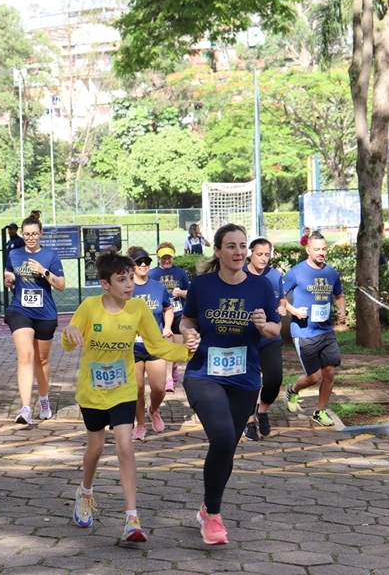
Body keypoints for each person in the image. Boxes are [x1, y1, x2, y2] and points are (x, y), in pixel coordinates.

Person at [61, 251, 198, 543]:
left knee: (125, 447)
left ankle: (132, 519)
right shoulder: (89, 307)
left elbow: (156, 345)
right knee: (96, 448)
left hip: (123, 391)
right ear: (105, 284)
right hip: (92, 392)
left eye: (130, 279)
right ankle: (85, 492)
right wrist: (69, 330)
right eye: (121, 280)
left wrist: (186, 351)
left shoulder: (137, 308)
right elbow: (69, 344)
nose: (128, 285)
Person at [179, 223, 280, 545]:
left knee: (226, 447)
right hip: (203, 374)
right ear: (218, 251)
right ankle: (214, 515)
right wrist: (187, 331)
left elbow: (276, 329)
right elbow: (187, 319)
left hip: (245, 379)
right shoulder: (202, 285)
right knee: (222, 436)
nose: (239, 252)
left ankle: (207, 506)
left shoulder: (261, 286)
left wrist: (265, 326)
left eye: (242, 246)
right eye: (231, 246)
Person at [3, 211, 65, 423]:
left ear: (41, 234)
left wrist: (43, 271)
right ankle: (25, 408)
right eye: (27, 234)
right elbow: (8, 272)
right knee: (26, 355)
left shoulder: (50, 255)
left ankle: (44, 400)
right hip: (20, 310)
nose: (30, 237)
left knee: (42, 359)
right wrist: (9, 279)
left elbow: (61, 285)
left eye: (34, 234)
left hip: (45, 313)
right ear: (22, 234)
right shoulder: (14, 254)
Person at [282, 231, 346, 427]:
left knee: (329, 372)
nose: (321, 253)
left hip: (326, 331)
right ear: (308, 250)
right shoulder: (296, 272)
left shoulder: (331, 273)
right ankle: (293, 390)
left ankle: (319, 411)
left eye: (324, 249)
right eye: (317, 249)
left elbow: (339, 295)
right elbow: (278, 297)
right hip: (304, 332)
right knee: (314, 377)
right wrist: (294, 311)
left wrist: (342, 311)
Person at [241, 238, 288, 441]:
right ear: (251, 253)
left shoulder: (274, 275)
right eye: (259, 254)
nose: (263, 258)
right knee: (249, 382)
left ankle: (262, 410)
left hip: (270, 336)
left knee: (274, 380)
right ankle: (248, 421)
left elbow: (281, 299)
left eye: (267, 255)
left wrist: (282, 308)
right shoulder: (240, 274)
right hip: (246, 338)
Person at [128, 246, 173, 440]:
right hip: (133, 347)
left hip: (155, 345)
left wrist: (167, 327)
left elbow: (168, 308)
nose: (143, 265)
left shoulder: (158, 287)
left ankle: (153, 410)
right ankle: (140, 424)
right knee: (137, 389)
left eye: (146, 261)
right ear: (132, 266)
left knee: (159, 388)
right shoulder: (127, 287)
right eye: (139, 262)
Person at [148, 241, 190, 391]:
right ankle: (168, 379)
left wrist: (181, 293)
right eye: (163, 258)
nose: (166, 261)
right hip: (163, 314)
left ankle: (173, 366)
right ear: (159, 258)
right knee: (167, 344)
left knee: (177, 350)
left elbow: (190, 293)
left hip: (178, 313)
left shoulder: (180, 273)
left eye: (169, 258)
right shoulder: (152, 274)